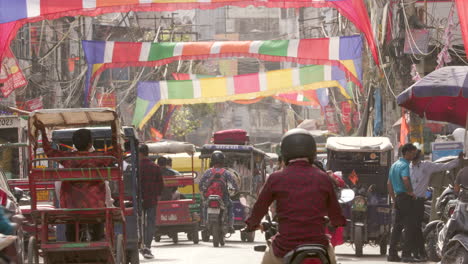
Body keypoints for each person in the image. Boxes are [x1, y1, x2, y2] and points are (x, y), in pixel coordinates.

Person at [245, 128, 345, 264]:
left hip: (284, 247)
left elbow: (260, 207)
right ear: (312, 152)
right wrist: (337, 222)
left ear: (285, 153)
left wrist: (252, 224)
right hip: (319, 246)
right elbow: (336, 212)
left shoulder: (276, 178)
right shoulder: (323, 178)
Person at [37, 122, 116, 241]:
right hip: (95, 208)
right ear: (90, 144)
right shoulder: (99, 158)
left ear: (74, 143)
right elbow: (116, 152)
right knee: (98, 223)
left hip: (72, 208)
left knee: (71, 226)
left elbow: (49, 151)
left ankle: (71, 243)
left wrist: (43, 132)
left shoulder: (67, 159)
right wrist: (115, 131)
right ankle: (97, 240)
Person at [410, 146, 463, 261]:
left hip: (418, 201)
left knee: (416, 228)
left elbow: (445, 166)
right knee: (411, 227)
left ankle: (418, 252)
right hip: (408, 200)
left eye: (414, 156)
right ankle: (414, 252)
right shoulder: (408, 167)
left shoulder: (426, 165)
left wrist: (459, 160)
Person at [387, 143, 418, 262]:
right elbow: (405, 179)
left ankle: (392, 254)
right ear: (407, 152)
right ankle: (406, 254)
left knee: (397, 227)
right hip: (405, 198)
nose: (414, 156)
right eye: (413, 153)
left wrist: (394, 200)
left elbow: (389, 184)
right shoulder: (405, 165)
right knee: (409, 226)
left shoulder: (394, 165)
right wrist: (410, 192)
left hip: (399, 198)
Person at [200, 151, 238, 233]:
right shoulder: (226, 172)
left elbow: (201, 183)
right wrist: (236, 189)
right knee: (230, 205)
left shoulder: (208, 171)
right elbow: (234, 183)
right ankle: (230, 225)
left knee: (205, 206)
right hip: (223, 197)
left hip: (209, 196)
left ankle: (204, 224)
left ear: (212, 161)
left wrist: (202, 190)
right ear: (222, 161)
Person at [139, 144, 164, 259]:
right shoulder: (155, 167)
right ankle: (147, 246)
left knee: (139, 223)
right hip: (152, 199)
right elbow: (160, 184)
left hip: (138, 199)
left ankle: (141, 245)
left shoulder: (136, 166)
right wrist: (157, 196)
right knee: (150, 223)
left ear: (140, 153)